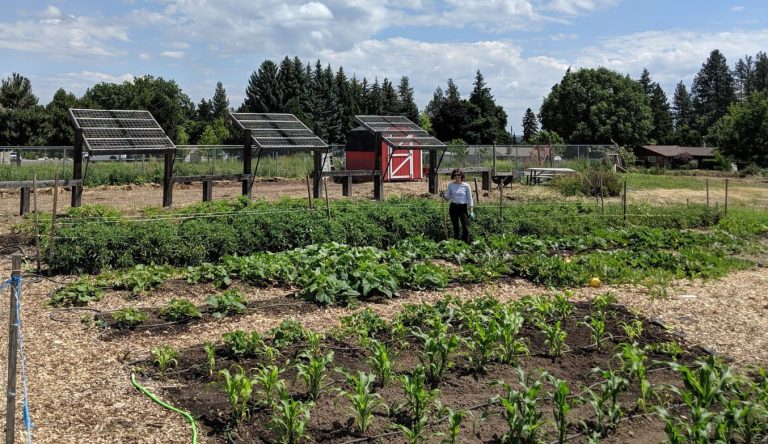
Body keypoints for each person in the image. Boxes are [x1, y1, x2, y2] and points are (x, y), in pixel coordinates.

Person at [441, 168, 474, 242]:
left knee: (465, 226)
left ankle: (466, 242)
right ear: (453, 176)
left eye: (458, 175)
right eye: (455, 175)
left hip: (463, 207)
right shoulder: (451, 185)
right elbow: (448, 198)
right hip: (453, 207)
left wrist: (471, 210)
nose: (457, 176)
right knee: (456, 227)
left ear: (461, 175)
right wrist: (443, 195)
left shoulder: (466, 185)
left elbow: (470, 198)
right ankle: (457, 243)